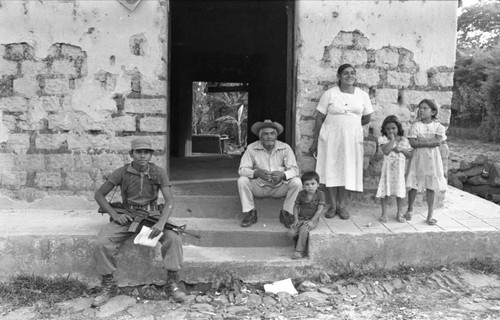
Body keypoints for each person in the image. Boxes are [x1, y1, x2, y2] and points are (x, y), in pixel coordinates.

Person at [91, 137, 186, 307]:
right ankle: (108, 286)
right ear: (131, 154)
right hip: (128, 215)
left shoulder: (159, 172)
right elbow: (99, 195)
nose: (143, 156)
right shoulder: (121, 172)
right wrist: (114, 213)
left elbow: (170, 200)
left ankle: (171, 284)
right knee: (102, 242)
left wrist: (161, 222)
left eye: (147, 152)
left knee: (174, 238)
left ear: (151, 155)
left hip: (151, 215)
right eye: (139, 152)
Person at [310, 64, 373, 220]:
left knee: (348, 170)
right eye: (346, 73)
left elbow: (366, 117)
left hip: (352, 140)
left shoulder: (362, 95)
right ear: (339, 76)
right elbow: (319, 117)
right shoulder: (330, 94)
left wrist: (350, 124)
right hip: (331, 137)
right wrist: (315, 141)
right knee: (331, 168)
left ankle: (342, 206)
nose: (349, 76)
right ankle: (332, 205)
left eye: (352, 73)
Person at [238, 119, 302, 228]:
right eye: (265, 134)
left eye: (272, 133)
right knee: (242, 180)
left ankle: (287, 213)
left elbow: (295, 170)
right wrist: (256, 172)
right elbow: (242, 170)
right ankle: (250, 213)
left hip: (280, 187)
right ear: (260, 136)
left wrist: (283, 174)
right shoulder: (251, 148)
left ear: (276, 135)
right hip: (259, 187)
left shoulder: (285, 148)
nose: (269, 137)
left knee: (297, 182)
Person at [405, 99, 447, 225]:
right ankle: (410, 209)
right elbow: (413, 143)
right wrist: (429, 142)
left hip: (432, 159)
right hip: (418, 158)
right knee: (414, 184)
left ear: (433, 112)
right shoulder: (415, 126)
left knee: (431, 185)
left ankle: (430, 214)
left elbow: (438, 142)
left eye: (425, 108)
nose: (421, 110)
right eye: (420, 108)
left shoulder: (439, 127)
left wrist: (421, 142)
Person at [375, 115, 412, 223]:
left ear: (398, 128)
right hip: (387, 171)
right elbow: (386, 151)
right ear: (384, 130)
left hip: (400, 171)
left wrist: (401, 149)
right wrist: (392, 141)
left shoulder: (404, 140)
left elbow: (409, 155)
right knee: (385, 191)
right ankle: (384, 213)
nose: (390, 131)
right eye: (388, 129)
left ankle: (399, 213)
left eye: (393, 128)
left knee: (400, 192)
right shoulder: (383, 139)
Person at [290, 171, 326, 259]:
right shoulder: (301, 194)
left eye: (313, 183)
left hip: (312, 219)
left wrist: (311, 221)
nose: (310, 186)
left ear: (318, 184)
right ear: (303, 186)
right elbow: (296, 207)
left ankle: (300, 251)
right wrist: (296, 220)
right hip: (301, 218)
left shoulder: (321, 194)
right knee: (292, 232)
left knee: (304, 229)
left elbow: (319, 210)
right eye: (307, 184)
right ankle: (300, 244)